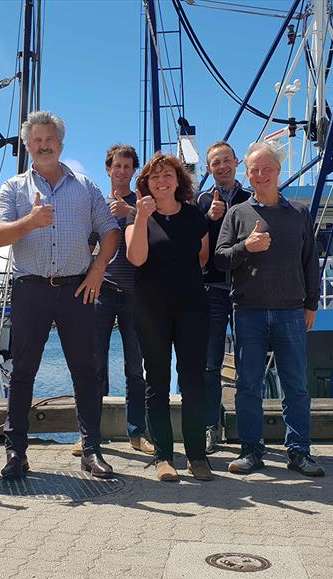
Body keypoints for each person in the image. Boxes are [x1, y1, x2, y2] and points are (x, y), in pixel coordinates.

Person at [0, 111, 120, 479]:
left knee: (86, 372)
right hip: (30, 288)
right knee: (23, 373)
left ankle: (91, 450)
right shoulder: (13, 188)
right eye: (37, 140)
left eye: (50, 139)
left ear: (61, 145)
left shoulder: (85, 186)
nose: (44, 145)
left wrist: (97, 270)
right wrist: (30, 221)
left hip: (76, 288)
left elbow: (110, 230)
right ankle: (16, 452)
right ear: (27, 145)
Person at [214, 141, 324, 477]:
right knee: (248, 385)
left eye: (267, 168)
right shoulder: (237, 214)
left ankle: (299, 451)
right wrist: (246, 247)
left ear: (278, 172)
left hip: (291, 310)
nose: (260, 175)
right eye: (254, 170)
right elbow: (220, 259)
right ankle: (251, 451)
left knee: (297, 385)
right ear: (247, 174)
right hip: (249, 311)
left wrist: (311, 304)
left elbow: (310, 263)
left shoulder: (299, 214)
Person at [125, 152, 213, 482]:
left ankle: (197, 456)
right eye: (154, 177)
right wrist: (143, 218)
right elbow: (136, 258)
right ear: (145, 184)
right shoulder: (138, 218)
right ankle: (164, 456)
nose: (161, 181)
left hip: (192, 307)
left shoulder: (195, 216)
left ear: (179, 180)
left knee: (193, 380)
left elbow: (202, 257)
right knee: (157, 381)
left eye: (168, 175)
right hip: (151, 310)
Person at [71, 144, 153, 458]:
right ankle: (88, 435)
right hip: (101, 293)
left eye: (127, 166)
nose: (121, 171)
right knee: (93, 368)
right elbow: (85, 246)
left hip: (135, 294)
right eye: (116, 166)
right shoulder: (97, 206)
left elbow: (155, 233)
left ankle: (137, 433)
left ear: (134, 171)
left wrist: (131, 213)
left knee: (135, 368)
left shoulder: (144, 205)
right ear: (108, 169)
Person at [196, 141, 251, 453]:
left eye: (226, 160)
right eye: (215, 163)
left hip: (247, 290)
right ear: (209, 168)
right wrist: (208, 218)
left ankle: (247, 431)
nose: (222, 167)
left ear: (235, 162)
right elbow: (192, 241)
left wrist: (229, 214)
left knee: (249, 362)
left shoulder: (251, 198)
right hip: (214, 290)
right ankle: (210, 427)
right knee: (210, 364)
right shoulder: (202, 200)